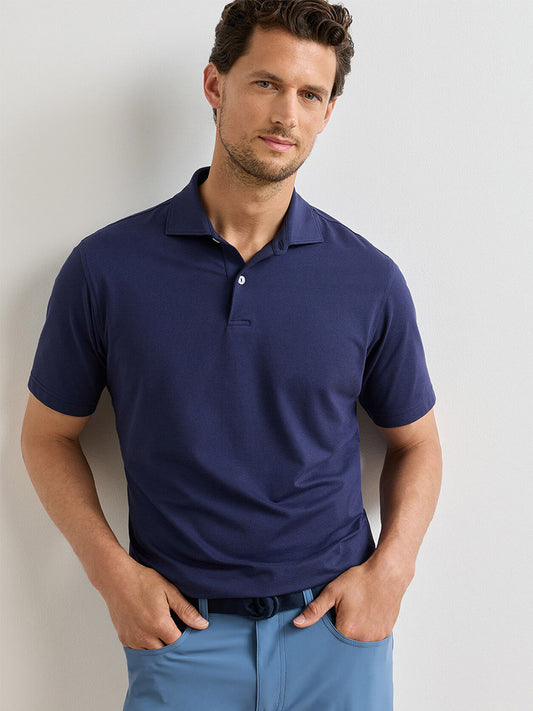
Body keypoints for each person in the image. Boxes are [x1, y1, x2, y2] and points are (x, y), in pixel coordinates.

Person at [20, 1, 442, 709]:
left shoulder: (368, 279)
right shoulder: (105, 268)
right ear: (215, 84)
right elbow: (46, 436)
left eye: (310, 94)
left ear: (328, 113)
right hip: (182, 637)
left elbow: (418, 443)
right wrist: (112, 577)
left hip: (335, 635)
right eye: (266, 83)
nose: (286, 114)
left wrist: (391, 573)